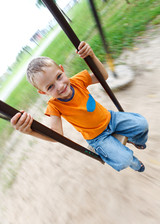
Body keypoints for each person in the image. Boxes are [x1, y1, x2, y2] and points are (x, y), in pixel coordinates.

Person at [10, 41, 148, 172]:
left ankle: (134, 140)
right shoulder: (54, 106)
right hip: (97, 137)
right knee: (125, 159)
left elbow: (103, 76)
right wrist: (30, 131)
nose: (60, 86)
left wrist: (91, 56)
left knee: (141, 124)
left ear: (62, 70)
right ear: (43, 92)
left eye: (59, 76)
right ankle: (134, 163)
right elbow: (57, 136)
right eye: (50, 87)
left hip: (111, 118)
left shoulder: (77, 81)